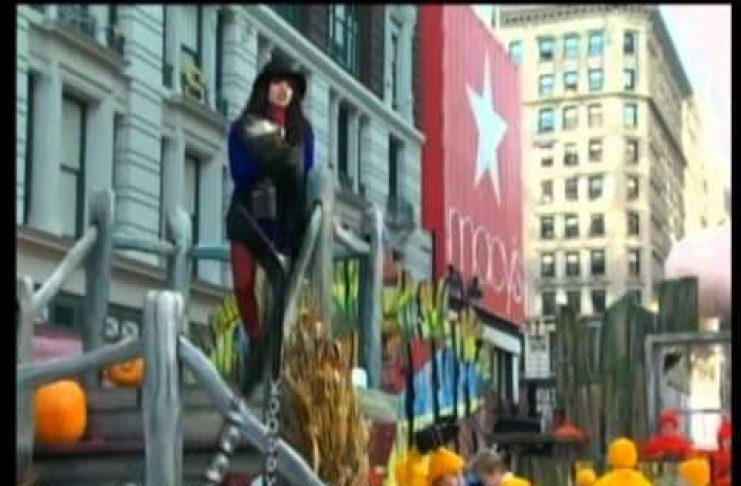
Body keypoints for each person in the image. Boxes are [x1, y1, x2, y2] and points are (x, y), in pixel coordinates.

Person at [226, 53, 315, 395]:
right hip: (247, 216)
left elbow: (303, 172)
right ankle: (256, 342)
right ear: (265, 87)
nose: (283, 90)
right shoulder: (243, 127)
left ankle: (273, 364)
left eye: (289, 85)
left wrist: (276, 160)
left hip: (283, 223)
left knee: (283, 295)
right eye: (277, 82)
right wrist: (278, 161)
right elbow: (241, 171)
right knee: (243, 284)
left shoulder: (303, 132)